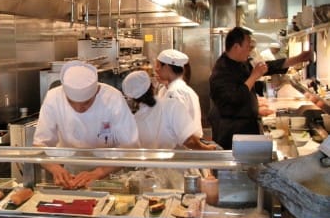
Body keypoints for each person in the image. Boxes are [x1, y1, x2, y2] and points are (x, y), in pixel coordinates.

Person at [33, 60, 139, 189]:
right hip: (71, 174)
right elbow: (41, 144)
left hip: (110, 173)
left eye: (86, 102)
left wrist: (98, 173)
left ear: (95, 92)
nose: (79, 108)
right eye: (72, 102)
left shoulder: (113, 98)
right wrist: (55, 168)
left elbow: (131, 147)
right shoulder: (53, 97)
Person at [208, 26, 313, 149]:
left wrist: (297, 59)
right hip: (231, 132)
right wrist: (254, 76)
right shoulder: (221, 71)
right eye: (248, 47)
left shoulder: (240, 63)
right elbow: (234, 98)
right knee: (236, 166)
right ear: (236, 47)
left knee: (248, 164)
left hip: (245, 125)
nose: (250, 51)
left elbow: (267, 67)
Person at [122, 71, 215, 151]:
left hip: (152, 170)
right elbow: (189, 141)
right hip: (178, 168)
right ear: (152, 86)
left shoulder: (135, 120)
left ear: (133, 98)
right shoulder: (172, 106)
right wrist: (207, 149)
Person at [155, 49, 203, 138]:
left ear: (167, 67)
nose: (156, 70)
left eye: (158, 66)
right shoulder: (172, 89)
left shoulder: (176, 92)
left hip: (182, 149)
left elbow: (182, 130)